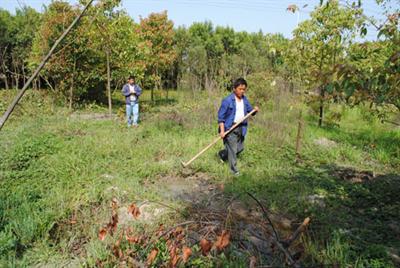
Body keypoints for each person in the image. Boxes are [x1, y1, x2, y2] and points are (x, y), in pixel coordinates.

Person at [217, 78, 259, 176]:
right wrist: (222, 131)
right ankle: (234, 171)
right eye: (240, 89)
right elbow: (221, 118)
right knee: (232, 150)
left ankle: (222, 154)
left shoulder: (244, 100)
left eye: (244, 89)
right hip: (229, 128)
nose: (242, 91)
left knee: (239, 148)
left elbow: (250, 111)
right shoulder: (227, 101)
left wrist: (255, 110)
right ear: (234, 89)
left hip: (241, 127)